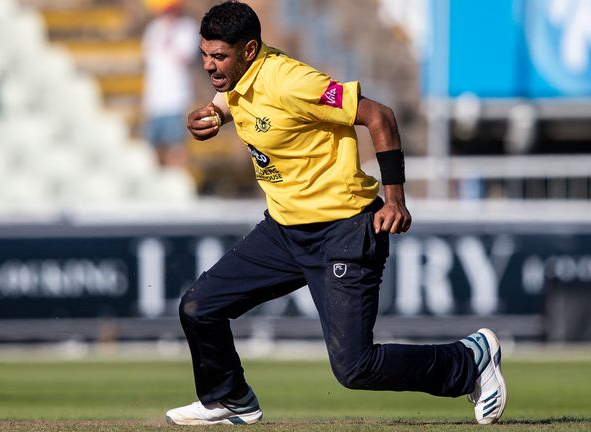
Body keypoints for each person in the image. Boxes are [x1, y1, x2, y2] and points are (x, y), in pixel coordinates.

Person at [168, 1, 507, 425]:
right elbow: (237, 97)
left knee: (354, 368)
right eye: (204, 55)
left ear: (250, 50)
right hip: (285, 232)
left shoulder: (294, 81)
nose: (209, 66)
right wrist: (216, 113)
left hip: (343, 230)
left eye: (219, 57)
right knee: (199, 308)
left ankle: (469, 360)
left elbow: (380, 116)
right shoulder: (241, 77)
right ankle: (229, 397)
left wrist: (396, 199)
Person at [141, 0, 198, 167]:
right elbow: (150, 66)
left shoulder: (187, 28)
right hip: (155, 99)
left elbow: (183, 57)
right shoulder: (153, 29)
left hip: (176, 98)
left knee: (177, 145)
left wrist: (170, 36)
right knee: (152, 149)